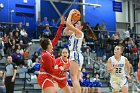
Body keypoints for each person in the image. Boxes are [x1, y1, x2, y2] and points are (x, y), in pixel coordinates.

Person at [37, 16, 65, 93]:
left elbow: (57, 37)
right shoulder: (45, 55)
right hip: (44, 77)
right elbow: (51, 70)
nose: (52, 42)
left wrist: (61, 25)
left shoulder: (49, 52)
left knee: (56, 90)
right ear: (49, 45)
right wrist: (59, 68)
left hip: (50, 77)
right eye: (50, 41)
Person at [64, 9, 84, 93]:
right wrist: (73, 21)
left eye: (77, 23)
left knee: (73, 77)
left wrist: (70, 13)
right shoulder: (73, 33)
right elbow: (65, 31)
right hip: (77, 55)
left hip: (75, 54)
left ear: (81, 27)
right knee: (75, 79)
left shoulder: (79, 32)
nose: (76, 24)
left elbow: (67, 24)